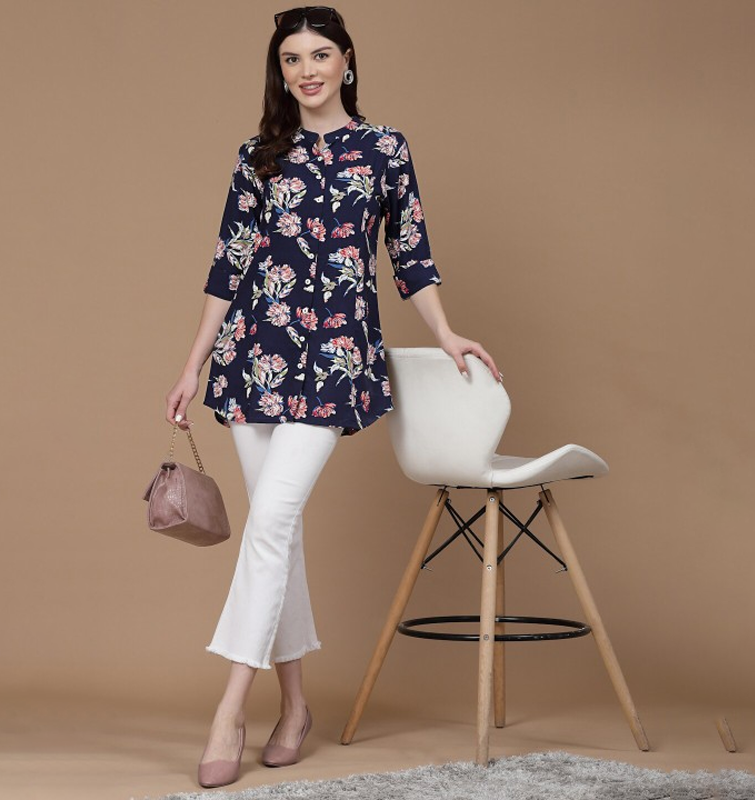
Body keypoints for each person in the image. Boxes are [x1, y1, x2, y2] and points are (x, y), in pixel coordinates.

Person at [165, 5, 502, 789]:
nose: (307, 70)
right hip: (252, 358)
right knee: (276, 533)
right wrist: (192, 363)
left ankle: (230, 710)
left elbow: (410, 255)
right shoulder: (258, 156)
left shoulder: (385, 150)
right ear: (280, 72)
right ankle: (295, 709)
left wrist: (447, 333)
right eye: (292, 59)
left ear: (347, 60)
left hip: (335, 363)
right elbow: (227, 265)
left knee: (272, 523)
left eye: (320, 55)